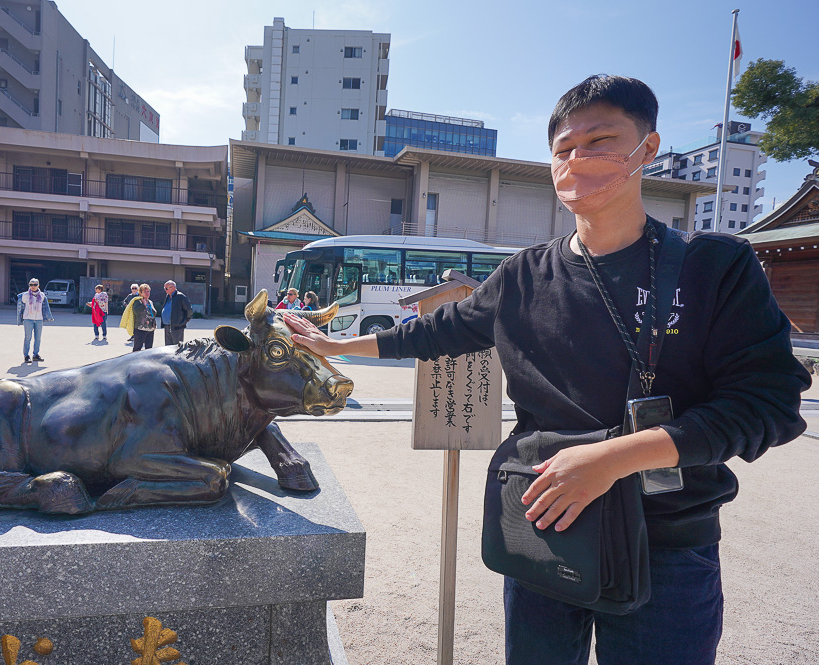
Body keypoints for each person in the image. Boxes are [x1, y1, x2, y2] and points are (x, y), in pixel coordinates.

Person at [285, 74, 810, 665]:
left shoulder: (718, 267)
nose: (580, 160)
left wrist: (612, 460)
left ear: (649, 148)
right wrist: (336, 349)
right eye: (564, 150)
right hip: (542, 523)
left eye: (602, 140)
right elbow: (437, 331)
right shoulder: (524, 275)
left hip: (665, 542)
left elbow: (766, 403)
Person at [16, 278, 54, 363]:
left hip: (39, 319)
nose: (33, 286)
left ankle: (36, 354)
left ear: (38, 285)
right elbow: (21, 308)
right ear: (29, 285)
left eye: (35, 284)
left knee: (38, 338)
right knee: (27, 338)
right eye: (31, 285)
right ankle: (26, 355)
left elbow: (45, 308)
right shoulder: (25, 295)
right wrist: (21, 317)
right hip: (28, 319)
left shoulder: (42, 295)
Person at [124, 283, 157, 352]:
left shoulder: (150, 302)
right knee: (137, 348)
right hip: (140, 329)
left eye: (148, 291)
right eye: (145, 291)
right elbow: (136, 311)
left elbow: (153, 313)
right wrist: (143, 305)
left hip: (150, 329)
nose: (147, 293)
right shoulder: (137, 301)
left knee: (149, 349)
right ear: (140, 293)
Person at [161, 280, 193, 345]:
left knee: (176, 347)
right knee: (168, 347)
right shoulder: (168, 297)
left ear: (173, 288)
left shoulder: (180, 296)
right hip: (167, 325)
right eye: (164, 288)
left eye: (166, 288)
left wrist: (183, 321)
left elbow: (189, 310)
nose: (165, 290)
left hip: (177, 327)